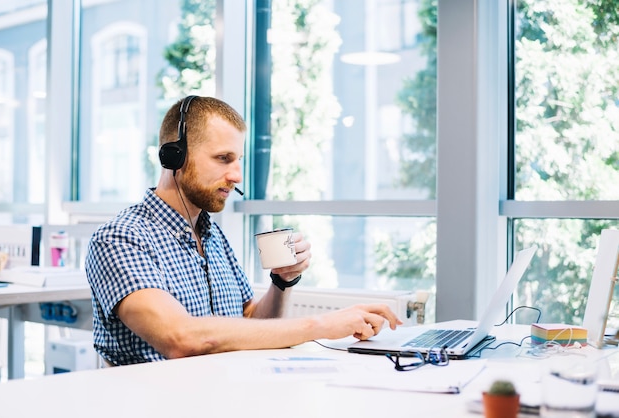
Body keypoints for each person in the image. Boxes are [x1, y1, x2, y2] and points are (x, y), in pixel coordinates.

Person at [85, 95, 402, 366]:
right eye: (223, 159)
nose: (237, 175)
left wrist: (282, 281)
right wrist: (321, 324)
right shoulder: (120, 238)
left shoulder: (211, 234)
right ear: (174, 156)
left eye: (238, 160)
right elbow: (180, 338)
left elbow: (251, 324)